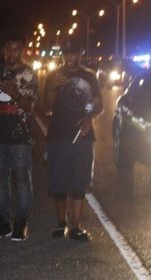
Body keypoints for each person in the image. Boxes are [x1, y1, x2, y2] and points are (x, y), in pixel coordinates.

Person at [43, 40, 103, 241]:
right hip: (58, 136)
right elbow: (47, 107)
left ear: (81, 53)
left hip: (83, 137)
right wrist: (52, 88)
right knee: (58, 183)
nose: (70, 58)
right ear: (62, 55)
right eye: (66, 54)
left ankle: (76, 226)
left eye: (74, 53)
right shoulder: (54, 76)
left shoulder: (89, 76)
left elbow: (96, 104)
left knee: (79, 182)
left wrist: (88, 117)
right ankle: (61, 223)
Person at [0, 32, 39, 241]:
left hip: (21, 137)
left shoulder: (28, 74)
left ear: (23, 50)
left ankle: (21, 222)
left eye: (16, 49)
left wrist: (16, 93)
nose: (11, 53)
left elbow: (30, 106)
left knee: (23, 182)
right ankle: (3, 221)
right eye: (8, 49)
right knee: (0, 182)